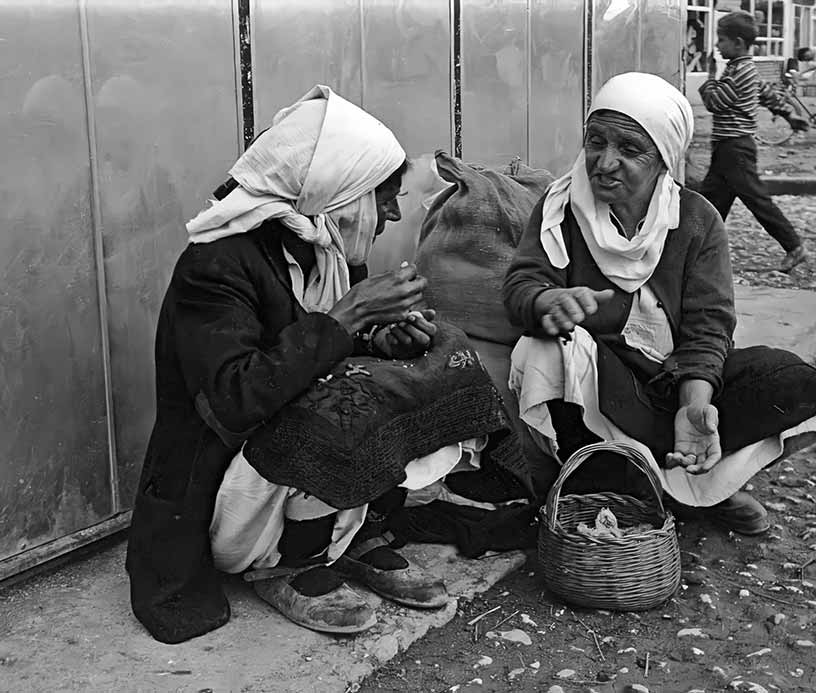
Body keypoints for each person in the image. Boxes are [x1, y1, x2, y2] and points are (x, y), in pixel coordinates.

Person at [125, 85, 529, 644]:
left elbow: (333, 351)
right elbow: (235, 398)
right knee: (345, 408)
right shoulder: (215, 265)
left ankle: (353, 535)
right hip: (229, 475)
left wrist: (384, 340)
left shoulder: (323, 247)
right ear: (334, 189)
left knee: (439, 363)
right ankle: (283, 561)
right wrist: (348, 316)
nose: (391, 213)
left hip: (284, 444)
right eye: (381, 195)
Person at [502, 71, 816, 543]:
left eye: (630, 150)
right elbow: (522, 284)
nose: (605, 162)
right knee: (540, 352)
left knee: (784, 377)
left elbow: (709, 325)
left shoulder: (695, 220)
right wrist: (546, 301)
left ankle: (704, 485)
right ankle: (629, 486)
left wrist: (694, 406)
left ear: (663, 159)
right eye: (596, 141)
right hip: (604, 384)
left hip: (675, 381)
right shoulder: (559, 210)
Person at [698, 12, 808, 273]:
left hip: (735, 149)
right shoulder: (744, 68)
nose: (717, 45)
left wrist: (710, 78)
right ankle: (697, 251)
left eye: (721, 40)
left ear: (737, 43)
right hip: (730, 148)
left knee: (756, 200)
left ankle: (794, 246)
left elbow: (715, 102)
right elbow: (766, 94)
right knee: (710, 202)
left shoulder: (738, 72)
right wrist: (788, 116)